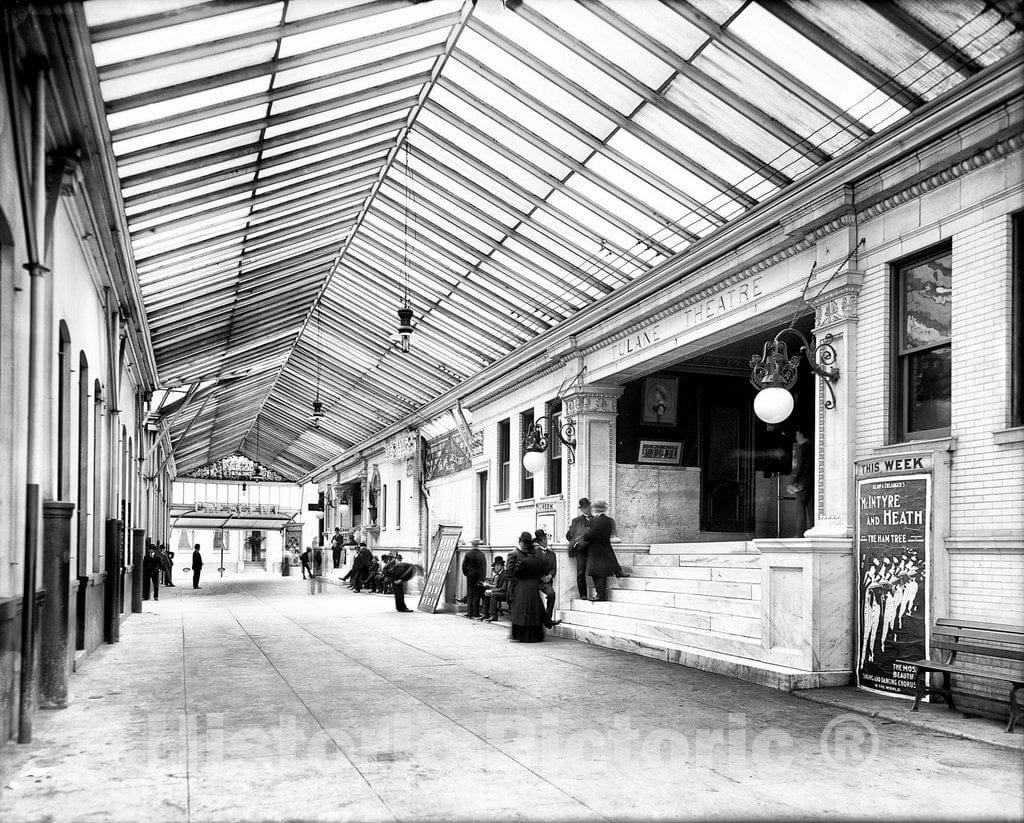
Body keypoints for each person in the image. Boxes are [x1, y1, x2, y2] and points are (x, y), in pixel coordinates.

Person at [582, 500, 626, 602]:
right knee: (600, 573)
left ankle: (600, 595)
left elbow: (589, 535)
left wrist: (585, 534)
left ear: (596, 508)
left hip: (596, 550)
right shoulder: (606, 520)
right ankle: (600, 594)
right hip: (601, 549)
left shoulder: (598, 520)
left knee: (597, 574)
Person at [509, 535, 548, 643]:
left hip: (524, 587)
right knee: (534, 611)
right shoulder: (540, 561)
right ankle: (536, 635)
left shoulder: (525, 561)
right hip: (535, 587)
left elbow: (517, 573)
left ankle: (523, 635)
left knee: (523, 612)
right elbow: (542, 573)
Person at [787, 428, 812, 536]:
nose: (796, 437)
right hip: (812, 482)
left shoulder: (801, 448)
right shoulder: (813, 446)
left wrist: (792, 482)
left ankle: (799, 533)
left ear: (801, 435)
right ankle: (812, 530)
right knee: (811, 509)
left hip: (801, 483)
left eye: (797, 434)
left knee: (800, 509)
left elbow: (798, 466)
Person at [566, 497, 592, 600]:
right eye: (585, 508)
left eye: (588, 507)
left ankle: (597, 592)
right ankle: (583, 594)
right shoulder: (576, 521)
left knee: (596, 570)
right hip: (581, 550)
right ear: (581, 509)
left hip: (593, 549)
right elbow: (569, 535)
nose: (587, 509)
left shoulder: (595, 520)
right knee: (581, 572)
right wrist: (576, 542)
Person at [535, 529, 560, 628]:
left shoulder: (551, 554)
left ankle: (547, 619)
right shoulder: (534, 553)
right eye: (543, 539)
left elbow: (554, 569)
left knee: (552, 594)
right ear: (539, 541)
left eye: (546, 539)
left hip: (547, 582)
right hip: (536, 581)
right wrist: (541, 577)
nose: (546, 541)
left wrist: (550, 576)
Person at [461, 538, 486, 618]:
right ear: (478, 545)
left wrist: (467, 573)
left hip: (470, 576)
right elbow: (483, 567)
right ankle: (476, 612)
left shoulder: (468, 554)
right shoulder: (481, 554)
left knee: (470, 594)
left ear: (472, 545)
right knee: (477, 595)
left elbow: (464, 565)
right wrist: (482, 578)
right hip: (478, 576)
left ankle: (469, 612)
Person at [480, 556, 508, 622]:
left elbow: (503, 589)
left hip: (506, 593)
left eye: (498, 565)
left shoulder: (505, 574)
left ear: (502, 566)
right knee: (487, 593)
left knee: (493, 595)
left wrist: (491, 590)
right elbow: (497, 586)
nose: (496, 567)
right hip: (501, 592)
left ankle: (493, 615)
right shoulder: (499, 574)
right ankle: (485, 614)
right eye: (495, 566)